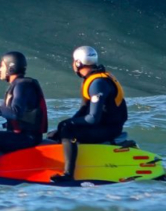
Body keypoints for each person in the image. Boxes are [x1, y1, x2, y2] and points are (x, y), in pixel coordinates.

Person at [51, 45, 128, 182]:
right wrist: (63, 126)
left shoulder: (97, 83)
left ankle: (68, 174)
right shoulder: (92, 79)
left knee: (68, 131)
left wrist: (67, 125)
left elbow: (93, 118)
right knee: (58, 132)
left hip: (109, 129)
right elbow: (83, 111)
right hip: (103, 125)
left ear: (78, 63)